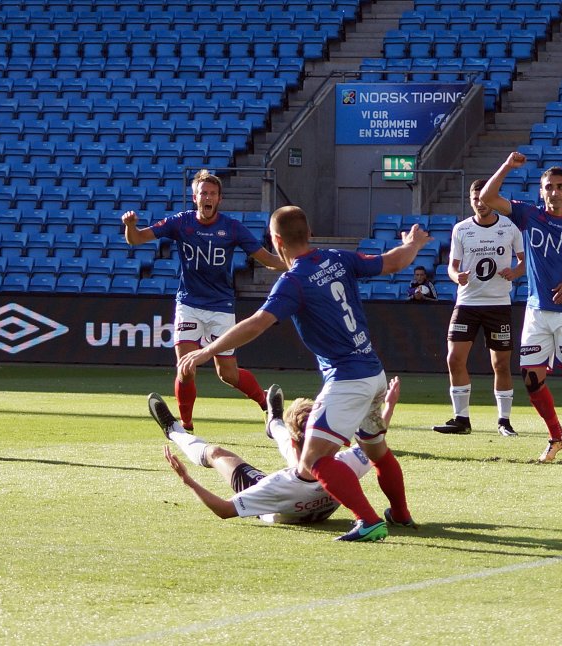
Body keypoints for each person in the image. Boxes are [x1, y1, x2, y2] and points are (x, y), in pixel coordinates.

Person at [178, 205, 432, 541]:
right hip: (373, 372)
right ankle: (399, 513)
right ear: (309, 233)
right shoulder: (338, 258)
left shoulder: (293, 281)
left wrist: (208, 350)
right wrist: (413, 243)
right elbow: (394, 262)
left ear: (276, 240)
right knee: (376, 451)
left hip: (347, 379)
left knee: (312, 461)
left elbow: (257, 324)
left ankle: (369, 521)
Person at [122, 169, 286, 431]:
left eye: (212, 193)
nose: (207, 197)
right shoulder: (181, 222)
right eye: (203, 193)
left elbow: (267, 259)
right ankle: (185, 426)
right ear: (195, 198)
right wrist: (130, 226)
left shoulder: (232, 227)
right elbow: (137, 239)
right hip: (189, 304)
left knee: (228, 374)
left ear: (220, 198)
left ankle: (265, 402)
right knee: (185, 368)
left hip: (221, 307)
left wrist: (296, 263)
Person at [153, 378, 415, 528]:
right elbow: (373, 444)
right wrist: (388, 407)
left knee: (217, 454)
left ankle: (174, 431)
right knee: (307, 459)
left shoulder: (274, 486)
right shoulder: (345, 464)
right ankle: (274, 422)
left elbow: (224, 510)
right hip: (313, 490)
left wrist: (188, 480)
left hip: (276, 503)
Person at [479, 153, 562, 464]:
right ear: (541, 191)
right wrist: (506, 165)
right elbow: (487, 197)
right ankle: (557, 435)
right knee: (531, 379)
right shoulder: (528, 215)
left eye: (560, 187)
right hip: (536, 311)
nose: (554, 192)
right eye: (549, 187)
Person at [433, 179, 526, 437]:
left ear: (491, 199)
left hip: (498, 304)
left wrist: (515, 272)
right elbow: (452, 266)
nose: (480, 203)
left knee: (501, 364)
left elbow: (524, 261)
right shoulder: (461, 229)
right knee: (454, 359)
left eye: (484, 199)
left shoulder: (509, 226)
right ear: (470, 200)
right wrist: (457, 277)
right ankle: (461, 419)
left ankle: (504, 421)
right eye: (475, 199)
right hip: (467, 303)